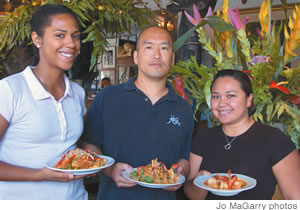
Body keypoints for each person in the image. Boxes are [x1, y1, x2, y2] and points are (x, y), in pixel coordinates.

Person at [82, 26, 194, 200]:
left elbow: (185, 159)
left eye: (164, 48)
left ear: (172, 58)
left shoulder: (184, 108)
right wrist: (110, 170)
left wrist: (180, 173)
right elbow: (89, 147)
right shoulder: (107, 97)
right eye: (149, 47)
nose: (156, 55)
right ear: (136, 56)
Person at [0, 4, 88, 199]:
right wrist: (39, 175)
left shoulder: (78, 93)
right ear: (37, 39)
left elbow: (70, 145)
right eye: (59, 35)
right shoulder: (10, 90)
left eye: (75, 36)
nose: (71, 43)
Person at [184, 69, 300, 200]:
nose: (221, 103)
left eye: (231, 95)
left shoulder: (275, 140)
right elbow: (193, 196)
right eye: (216, 96)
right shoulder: (203, 138)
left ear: (249, 100)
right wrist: (200, 183)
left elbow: (294, 199)